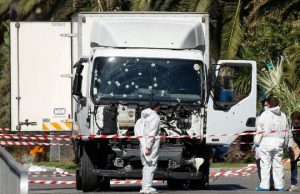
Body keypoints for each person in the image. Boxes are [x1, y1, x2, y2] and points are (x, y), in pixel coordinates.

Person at [254, 96, 290, 191]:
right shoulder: (283, 116)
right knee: (278, 165)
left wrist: (256, 142)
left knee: (265, 165)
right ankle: (280, 186)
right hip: (279, 142)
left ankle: (264, 186)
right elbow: (286, 131)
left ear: (269, 104)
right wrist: (285, 144)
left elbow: (260, 130)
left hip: (266, 142)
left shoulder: (264, 115)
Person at [134, 101, 161, 194]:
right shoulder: (155, 118)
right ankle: (147, 188)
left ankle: (144, 187)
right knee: (151, 165)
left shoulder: (142, 118)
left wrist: (143, 143)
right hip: (151, 146)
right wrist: (148, 146)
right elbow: (152, 133)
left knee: (146, 166)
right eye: (159, 107)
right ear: (156, 107)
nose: (160, 109)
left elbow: (137, 131)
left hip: (143, 144)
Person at [287, 111, 300, 191]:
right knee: (293, 162)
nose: (293, 121)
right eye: (292, 119)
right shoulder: (291, 125)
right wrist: (290, 147)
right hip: (296, 144)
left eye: (294, 120)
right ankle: (293, 184)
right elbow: (290, 137)